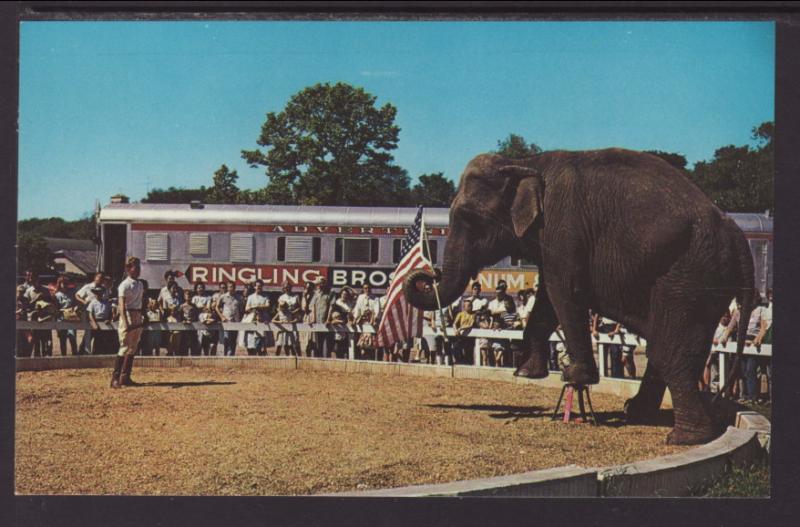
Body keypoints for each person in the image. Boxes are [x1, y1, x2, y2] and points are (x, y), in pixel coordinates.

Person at [721, 291, 769, 403]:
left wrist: (758, 339)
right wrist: (724, 337)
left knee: (750, 369)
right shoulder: (738, 312)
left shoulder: (760, 310)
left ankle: (753, 397)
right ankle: (745, 395)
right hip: (741, 342)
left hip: (752, 343)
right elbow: (730, 327)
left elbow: (763, 328)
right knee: (742, 370)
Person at [110, 256, 145, 388]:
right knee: (124, 346)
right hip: (128, 314)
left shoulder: (140, 284)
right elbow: (121, 305)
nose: (138, 270)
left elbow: (141, 301)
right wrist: (125, 322)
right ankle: (115, 378)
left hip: (137, 313)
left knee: (133, 347)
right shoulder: (124, 285)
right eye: (136, 267)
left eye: (139, 267)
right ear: (129, 269)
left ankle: (126, 377)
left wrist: (142, 316)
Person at [75, 272, 106, 355]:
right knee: (88, 333)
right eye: (99, 277)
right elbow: (77, 295)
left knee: (98, 333)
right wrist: (83, 301)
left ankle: (96, 352)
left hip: (99, 312)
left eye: (102, 278)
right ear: (95, 278)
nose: (101, 279)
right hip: (88, 312)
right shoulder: (88, 287)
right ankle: (82, 352)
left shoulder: (104, 288)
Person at [309, 277, 335, 358]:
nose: (318, 286)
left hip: (326, 322)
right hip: (317, 321)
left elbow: (331, 307)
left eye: (319, 284)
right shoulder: (316, 293)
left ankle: (327, 361)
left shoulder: (330, 293)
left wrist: (328, 320)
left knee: (327, 345)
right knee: (317, 343)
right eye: (317, 284)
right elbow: (313, 306)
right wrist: (313, 319)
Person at [353, 283, 380, 359]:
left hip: (371, 322)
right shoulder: (360, 297)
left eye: (368, 288)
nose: (367, 290)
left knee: (370, 343)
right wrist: (356, 318)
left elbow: (377, 311)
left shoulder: (375, 299)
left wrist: (374, 319)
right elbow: (357, 309)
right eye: (365, 288)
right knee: (361, 344)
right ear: (363, 289)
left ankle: (370, 360)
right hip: (362, 322)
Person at [216, 280, 243, 356]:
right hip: (226, 322)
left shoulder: (239, 297)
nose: (231, 288)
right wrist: (222, 317)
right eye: (229, 287)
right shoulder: (223, 297)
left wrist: (239, 319)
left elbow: (242, 310)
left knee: (233, 341)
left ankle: (231, 357)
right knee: (226, 340)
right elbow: (216, 307)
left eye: (232, 286)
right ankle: (225, 357)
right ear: (227, 288)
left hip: (235, 322)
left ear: (235, 287)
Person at [54, 276, 78, 355]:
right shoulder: (57, 295)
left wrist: (75, 308)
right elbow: (56, 309)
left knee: (72, 337)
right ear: (59, 284)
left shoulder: (72, 293)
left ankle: (75, 356)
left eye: (65, 283)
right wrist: (64, 310)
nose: (64, 285)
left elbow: (75, 304)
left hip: (71, 318)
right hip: (61, 318)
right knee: (62, 339)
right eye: (62, 283)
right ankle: (63, 357)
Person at [87, 286, 113, 354]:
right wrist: (94, 323)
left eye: (100, 293)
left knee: (105, 340)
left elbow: (111, 313)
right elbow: (90, 314)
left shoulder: (106, 303)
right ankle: (94, 353)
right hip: (96, 321)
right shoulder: (92, 303)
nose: (98, 295)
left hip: (105, 322)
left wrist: (109, 319)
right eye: (96, 293)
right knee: (96, 340)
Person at [452, 298, 477, 364]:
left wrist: (460, 328)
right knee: (456, 349)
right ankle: (460, 362)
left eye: (471, 305)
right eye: (468, 305)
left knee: (468, 353)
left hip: (469, 337)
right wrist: (455, 330)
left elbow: (470, 325)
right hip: (461, 336)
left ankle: (468, 365)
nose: (470, 307)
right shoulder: (460, 314)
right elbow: (454, 323)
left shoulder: (473, 315)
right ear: (464, 307)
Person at [179, 290, 199, 355]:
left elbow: (197, 316)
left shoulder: (194, 306)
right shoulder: (182, 306)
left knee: (193, 345)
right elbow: (179, 316)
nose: (188, 296)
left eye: (190, 294)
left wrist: (193, 320)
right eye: (187, 294)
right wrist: (183, 320)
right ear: (184, 296)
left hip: (193, 328)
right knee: (184, 346)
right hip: (184, 329)